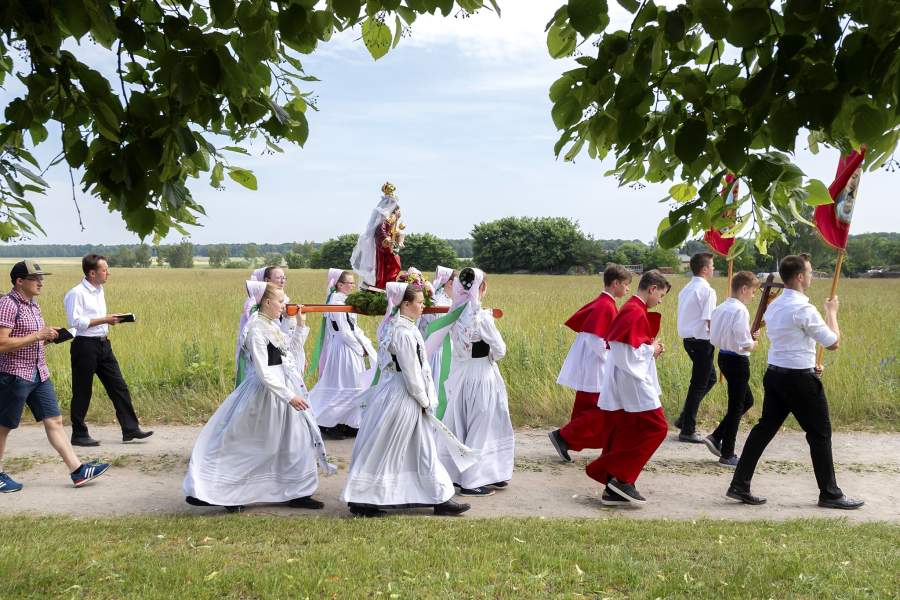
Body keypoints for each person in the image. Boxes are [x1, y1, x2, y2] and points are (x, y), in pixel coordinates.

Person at [726, 255, 863, 510]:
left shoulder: (775, 306)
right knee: (820, 434)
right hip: (799, 378)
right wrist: (831, 312)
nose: (811, 276)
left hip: (777, 374)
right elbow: (833, 342)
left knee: (764, 428)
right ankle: (830, 493)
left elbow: (793, 341)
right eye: (809, 272)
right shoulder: (804, 309)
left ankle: (739, 484)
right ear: (799, 276)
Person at [184, 283, 332, 513]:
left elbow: (288, 357)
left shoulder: (271, 324)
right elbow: (264, 371)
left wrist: (299, 325)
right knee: (253, 446)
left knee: (295, 443)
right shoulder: (255, 328)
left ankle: (297, 490)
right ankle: (226, 492)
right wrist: (288, 395)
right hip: (267, 395)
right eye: (281, 301)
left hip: (284, 393)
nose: (284, 305)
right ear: (266, 302)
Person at [341, 282, 471, 517]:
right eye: (419, 303)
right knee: (388, 448)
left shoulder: (403, 327)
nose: (423, 307)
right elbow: (411, 372)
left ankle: (440, 498)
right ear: (406, 304)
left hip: (403, 393)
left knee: (420, 448)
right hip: (403, 397)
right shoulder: (401, 331)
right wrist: (424, 400)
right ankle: (363, 499)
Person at [0, 260, 110, 492]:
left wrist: (49, 337)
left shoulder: (33, 305)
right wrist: (37, 335)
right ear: (20, 281)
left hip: (39, 373)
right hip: (14, 375)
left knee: (55, 421)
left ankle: (78, 470)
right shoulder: (8, 305)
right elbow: (2, 343)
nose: (41, 282)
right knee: (3, 427)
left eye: (41, 277)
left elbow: (32, 337)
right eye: (35, 278)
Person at [588, 270, 671, 507]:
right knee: (657, 427)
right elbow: (623, 350)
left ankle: (614, 487)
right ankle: (619, 476)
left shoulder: (634, 309)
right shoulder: (634, 310)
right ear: (652, 288)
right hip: (632, 379)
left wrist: (650, 348)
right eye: (661, 295)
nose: (660, 301)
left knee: (629, 430)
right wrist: (651, 350)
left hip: (628, 377)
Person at [437, 267, 514, 497]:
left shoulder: (455, 312)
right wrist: (490, 355)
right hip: (482, 375)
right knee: (484, 424)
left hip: (461, 374)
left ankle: (470, 473)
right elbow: (500, 350)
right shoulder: (481, 317)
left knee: (460, 423)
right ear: (482, 288)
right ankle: (472, 479)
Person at [64, 254, 152, 446]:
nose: (108, 273)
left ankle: (130, 429)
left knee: (118, 386)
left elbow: (96, 318)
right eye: (105, 270)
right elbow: (75, 322)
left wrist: (112, 320)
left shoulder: (99, 290)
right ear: (92, 272)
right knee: (82, 391)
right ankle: (78, 434)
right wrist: (105, 319)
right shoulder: (76, 293)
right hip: (84, 346)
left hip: (103, 344)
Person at [548, 264, 632, 462]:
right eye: (626, 285)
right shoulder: (605, 305)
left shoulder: (604, 303)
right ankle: (563, 436)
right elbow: (596, 340)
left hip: (591, 366)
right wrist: (614, 359)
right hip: (596, 368)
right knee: (603, 411)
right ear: (616, 283)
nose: (628, 289)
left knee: (586, 410)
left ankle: (567, 441)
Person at [308, 270, 376, 439]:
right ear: (339, 284)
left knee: (354, 384)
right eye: (349, 283)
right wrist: (359, 348)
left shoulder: (343, 300)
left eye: (353, 283)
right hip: (344, 348)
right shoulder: (336, 301)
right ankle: (327, 422)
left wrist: (364, 343)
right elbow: (343, 331)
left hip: (351, 346)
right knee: (347, 384)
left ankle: (349, 422)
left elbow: (353, 326)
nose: (352, 286)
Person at [705, 271, 760, 467]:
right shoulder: (740, 310)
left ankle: (716, 436)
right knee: (737, 406)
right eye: (753, 292)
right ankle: (727, 454)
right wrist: (754, 342)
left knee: (746, 401)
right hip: (738, 360)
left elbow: (715, 334)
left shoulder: (720, 307)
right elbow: (745, 344)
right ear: (744, 289)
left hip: (723, 357)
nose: (753, 297)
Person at [674, 252, 718, 443]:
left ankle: (684, 419)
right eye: (712, 265)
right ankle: (687, 429)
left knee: (709, 379)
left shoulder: (686, 289)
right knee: (699, 384)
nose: (714, 268)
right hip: (702, 341)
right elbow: (709, 320)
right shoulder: (707, 291)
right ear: (705, 269)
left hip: (689, 340)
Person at [234, 265, 287, 385]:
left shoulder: (276, 301)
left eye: (284, 277)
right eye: (279, 278)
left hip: (276, 361)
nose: (282, 281)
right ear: (267, 280)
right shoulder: (258, 320)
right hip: (267, 365)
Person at [350, 182, 404, 290]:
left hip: (389, 243)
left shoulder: (392, 216)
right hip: (384, 244)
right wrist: (386, 238)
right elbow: (380, 228)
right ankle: (386, 285)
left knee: (389, 265)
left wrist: (397, 236)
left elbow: (394, 229)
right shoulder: (387, 216)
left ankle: (387, 284)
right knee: (392, 264)